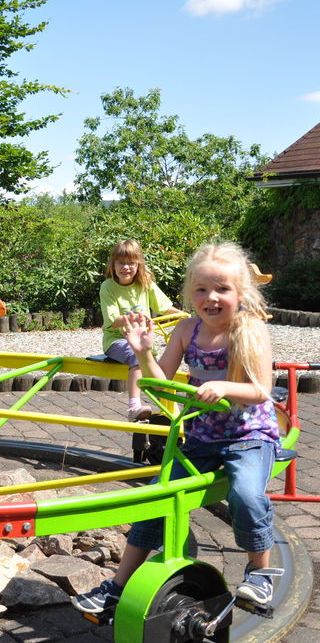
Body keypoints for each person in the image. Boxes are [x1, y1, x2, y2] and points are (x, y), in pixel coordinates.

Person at [73, 241, 281, 614]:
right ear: (189, 293)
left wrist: (225, 387)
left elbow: (260, 390)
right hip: (201, 436)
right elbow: (162, 384)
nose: (210, 297)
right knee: (155, 498)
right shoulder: (187, 329)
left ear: (240, 292)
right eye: (201, 289)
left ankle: (261, 573)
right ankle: (116, 587)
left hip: (248, 437)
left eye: (222, 289)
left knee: (246, 496)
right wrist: (142, 352)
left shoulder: (249, 331)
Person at [99, 239, 182, 421]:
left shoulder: (145, 284)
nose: (126, 267)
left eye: (131, 263)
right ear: (113, 265)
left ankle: (171, 411)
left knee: (158, 371)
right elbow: (112, 320)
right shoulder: (108, 287)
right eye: (121, 263)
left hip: (143, 341)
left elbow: (164, 307)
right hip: (117, 340)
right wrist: (136, 318)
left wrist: (185, 315)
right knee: (137, 357)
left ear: (139, 264)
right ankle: (133, 406)